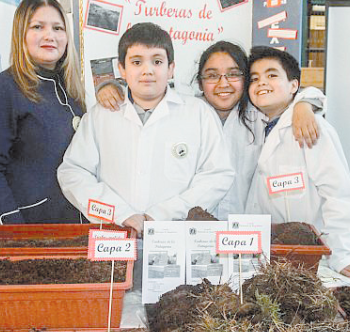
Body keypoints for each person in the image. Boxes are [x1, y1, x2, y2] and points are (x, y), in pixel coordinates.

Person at [97, 40, 325, 219]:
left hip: (243, 232)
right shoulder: (186, 114)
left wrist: (304, 104)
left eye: (234, 74)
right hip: (189, 228)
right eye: (212, 75)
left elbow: (292, 96)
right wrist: (108, 86)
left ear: (245, 80)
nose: (223, 84)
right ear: (200, 82)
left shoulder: (259, 116)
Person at [57, 23, 234, 233]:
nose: (147, 70)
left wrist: (162, 215)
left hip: (177, 235)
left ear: (171, 69)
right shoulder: (100, 115)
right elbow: (73, 172)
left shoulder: (199, 113)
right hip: (114, 235)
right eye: (136, 62)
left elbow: (217, 175)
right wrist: (120, 214)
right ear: (121, 69)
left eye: (157, 61)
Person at [244, 46, 350, 282]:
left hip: (309, 256)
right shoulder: (253, 124)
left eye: (272, 75)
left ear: (294, 86)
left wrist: (342, 255)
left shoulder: (311, 128)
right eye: (254, 79)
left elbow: (338, 195)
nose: (261, 83)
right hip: (267, 252)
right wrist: (304, 103)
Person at [0, 0, 85, 224]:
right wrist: (14, 228)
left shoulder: (73, 92)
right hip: (26, 230)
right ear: (21, 34)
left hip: (73, 225)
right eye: (37, 27)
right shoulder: (1, 89)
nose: (49, 35)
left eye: (57, 28)